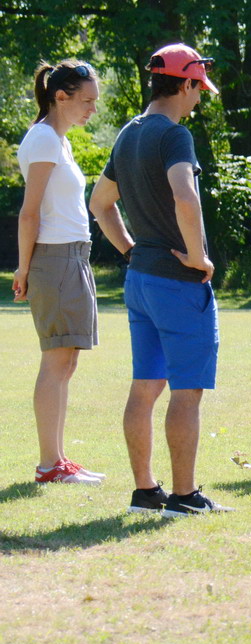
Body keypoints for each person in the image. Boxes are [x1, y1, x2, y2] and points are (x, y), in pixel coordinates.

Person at [90, 43, 232, 516]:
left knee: (145, 386)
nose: (199, 99)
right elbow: (185, 197)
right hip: (177, 282)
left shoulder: (128, 134)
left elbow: (99, 203)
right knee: (186, 391)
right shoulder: (174, 136)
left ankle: (145, 492)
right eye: (198, 89)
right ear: (185, 83)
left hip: (141, 281)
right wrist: (198, 257)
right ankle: (185, 496)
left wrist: (130, 248)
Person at [14, 60, 105, 485]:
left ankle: (58, 460)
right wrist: (24, 267)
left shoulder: (58, 141)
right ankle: (50, 465)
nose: (92, 109)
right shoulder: (45, 140)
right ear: (60, 96)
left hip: (72, 258)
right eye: (86, 101)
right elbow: (29, 212)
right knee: (56, 361)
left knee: (65, 361)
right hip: (55, 260)